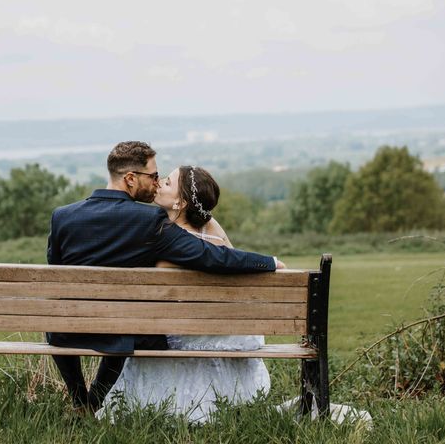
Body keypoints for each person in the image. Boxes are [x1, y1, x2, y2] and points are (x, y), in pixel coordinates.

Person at [46, 141, 283, 413]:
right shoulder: (148, 221)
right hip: (122, 331)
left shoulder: (62, 216)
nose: (157, 183)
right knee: (127, 326)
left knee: (89, 323)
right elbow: (211, 256)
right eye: (153, 176)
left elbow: (56, 272)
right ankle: (93, 402)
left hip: (67, 328)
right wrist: (269, 262)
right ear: (131, 179)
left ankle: (81, 401)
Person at [95, 166, 273, 423]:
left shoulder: (161, 238)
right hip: (217, 329)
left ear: (180, 201)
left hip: (172, 330)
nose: (159, 184)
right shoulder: (211, 229)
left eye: (167, 183)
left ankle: (91, 402)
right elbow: (230, 260)